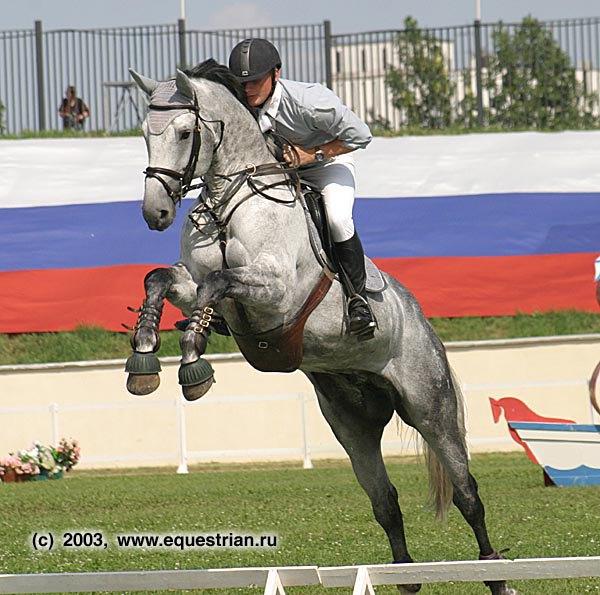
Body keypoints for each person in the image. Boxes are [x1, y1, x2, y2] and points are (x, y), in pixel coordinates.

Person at [228, 38, 376, 340]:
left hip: (327, 165)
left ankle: (357, 301)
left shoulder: (310, 102)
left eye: (255, 81)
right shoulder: (240, 105)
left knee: (337, 219)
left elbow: (362, 135)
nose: (248, 89)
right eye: (242, 83)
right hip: (279, 174)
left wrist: (313, 154)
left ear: (276, 73)